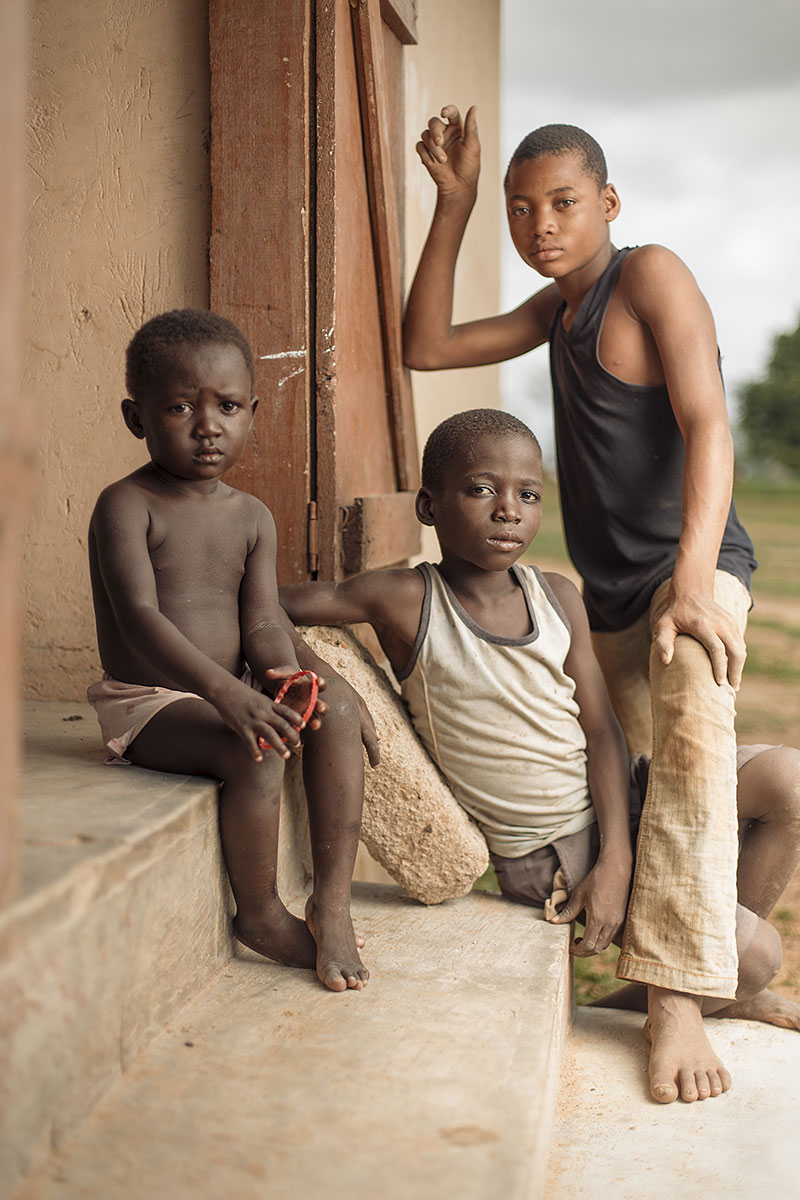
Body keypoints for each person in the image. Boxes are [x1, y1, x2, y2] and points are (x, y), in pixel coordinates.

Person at [280, 409, 800, 1102]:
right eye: (480, 490)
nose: (507, 512)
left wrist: (620, 855)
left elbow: (601, 733)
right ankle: (707, 980)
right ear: (430, 506)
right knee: (760, 954)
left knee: (789, 781)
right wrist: (312, 663)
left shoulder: (555, 595)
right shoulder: (404, 598)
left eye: (528, 495)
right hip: (551, 853)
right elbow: (271, 607)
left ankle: (695, 970)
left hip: (621, 805)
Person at [402, 110, 760, 1099]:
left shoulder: (648, 277)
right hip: (608, 601)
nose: (540, 224)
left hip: (690, 568)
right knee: (648, 796)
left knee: (687, 760)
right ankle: (734, 968)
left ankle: (676, 1004)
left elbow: (706, 423)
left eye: (561, 203)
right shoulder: (552, 312)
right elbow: (424, 346)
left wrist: (694, 574)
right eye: (520, 210)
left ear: (605, 203)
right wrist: (455, 204)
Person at [87, 308, 370, 993]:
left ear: (252, 412)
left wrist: (292, 678)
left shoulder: (251, 516)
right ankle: (262, 913)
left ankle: (332, 904)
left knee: (336, 708)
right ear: (137, 417)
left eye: (228, 406)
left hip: (231, 687)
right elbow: (140, 619)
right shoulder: (126, 506)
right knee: (255, 746)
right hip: (153, 704)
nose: (208, 424)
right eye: (181, 406)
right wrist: (228, 694)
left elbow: (263, 624)